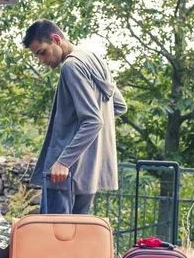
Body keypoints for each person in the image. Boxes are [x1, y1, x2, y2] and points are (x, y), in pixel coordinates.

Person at [23, 19, 127, 214]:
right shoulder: (94, 59)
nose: (41, 61)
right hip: (89, 172)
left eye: (42, 52)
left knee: (54, 237)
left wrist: (63, 161)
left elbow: (94, 120)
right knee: (75, 238)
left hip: (63, 173)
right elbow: (119, 105)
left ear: (56, 39)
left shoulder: (71, 66)